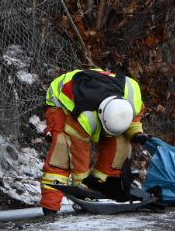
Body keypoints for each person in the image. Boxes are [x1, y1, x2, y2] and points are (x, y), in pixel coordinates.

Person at [39, 66, 147, 213]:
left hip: (101, 91)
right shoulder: (85, 117)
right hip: (61, 100)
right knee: (62, 151)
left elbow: (133, 117)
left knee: (120, 147)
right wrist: (82, 185)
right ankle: (50, 207)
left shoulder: (132, 95)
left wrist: (136, 133)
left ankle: (103, 190)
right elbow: (78, 151)